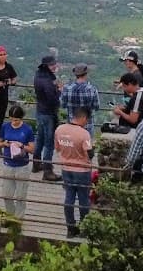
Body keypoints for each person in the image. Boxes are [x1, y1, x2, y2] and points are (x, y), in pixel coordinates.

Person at [55, 106, 96, 237]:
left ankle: (70, 228)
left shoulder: (59, 129)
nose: (87, 122)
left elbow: (57, 148)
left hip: (66, 169)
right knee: (84, 200)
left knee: (69, 198)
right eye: (87, 120)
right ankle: (84, 228)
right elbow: (90, 154)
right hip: (82, 170)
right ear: (83, 118)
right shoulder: (84, 134)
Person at [0, 103, 35, 217]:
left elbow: (32, 149)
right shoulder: (5, 127)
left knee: (21, 195)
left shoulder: (27, 129)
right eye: (12, 119)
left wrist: (22, 146)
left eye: (16, 120)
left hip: (22, 166)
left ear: (21, 118)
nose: (14, 122)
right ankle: (10, 215)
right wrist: (5, 144)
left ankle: (18, 218)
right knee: (7, 194)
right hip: (8, 163)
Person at [33, 53, 62, 181]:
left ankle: (36, 163)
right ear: (47, 66)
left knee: (40, 138)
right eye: (52, 64)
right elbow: (52, 98)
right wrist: (59, 91)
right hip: (48, 113)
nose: (55, 66)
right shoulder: (47, 80)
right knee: (49, 143)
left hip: (40, 110)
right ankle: (48, 171)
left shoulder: (38, 75)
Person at [63, 63, 99, 142]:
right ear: (86, 74)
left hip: (71, 124)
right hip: (87, 125)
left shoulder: (66, 88)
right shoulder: (92, 89)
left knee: (72, 146)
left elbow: (63, 105)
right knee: (86, 149)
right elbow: (96, 107)